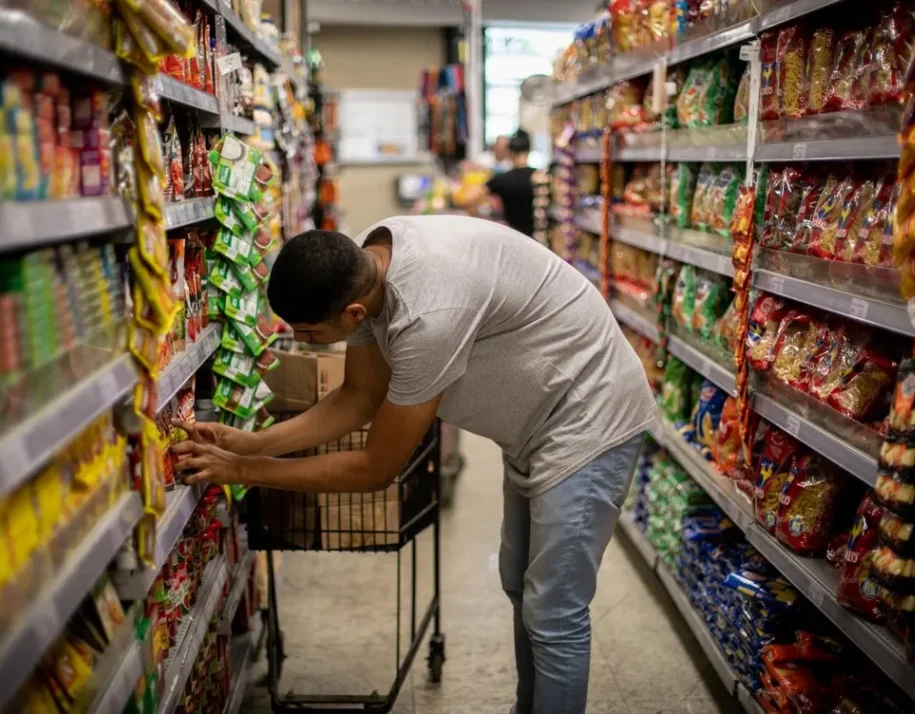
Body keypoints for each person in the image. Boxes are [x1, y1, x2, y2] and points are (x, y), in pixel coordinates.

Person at [171, 215, 657, 714]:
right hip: (536, 425)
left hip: (589, 418)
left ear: (353, 312)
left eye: (310, 332)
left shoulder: (428, 314)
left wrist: (243, 471)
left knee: (554, 609)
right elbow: (357, 398)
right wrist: (250, 444)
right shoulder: (370, 259)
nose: (306, 340)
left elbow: (374, 468)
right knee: (519, 583)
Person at [464, 129, 536, 236]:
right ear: (529, 151)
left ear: (510, 153)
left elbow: (469, 199)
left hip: (513, 236)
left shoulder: (502, 179)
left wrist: (483, 222)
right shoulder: (540, 176)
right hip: (539, 241)